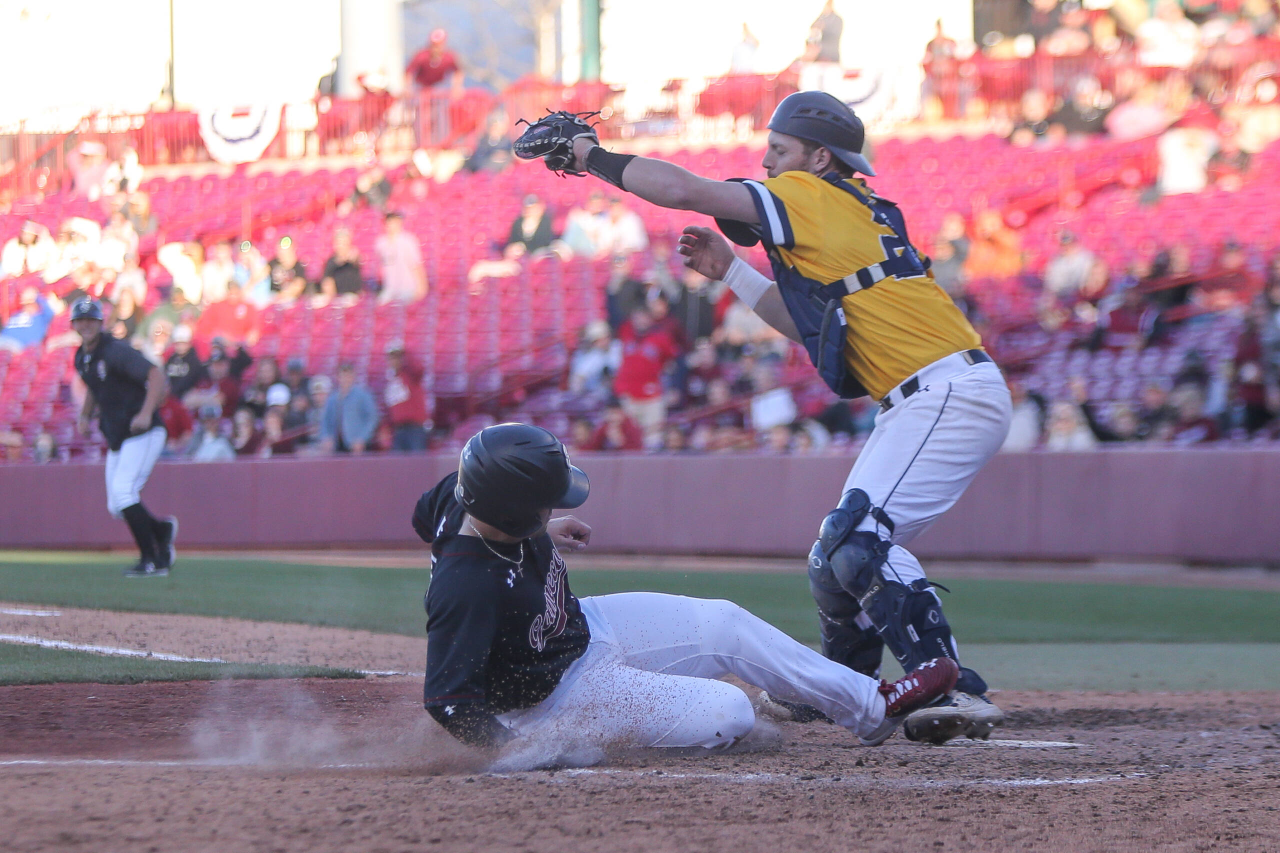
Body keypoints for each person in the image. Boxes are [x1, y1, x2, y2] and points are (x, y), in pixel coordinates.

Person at [535, 89, 1012, 742]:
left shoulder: (811, 194)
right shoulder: (843, 214)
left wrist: (589, 156)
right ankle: (839, 685)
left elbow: (681, 189)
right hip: (921, 397)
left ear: (819, 158)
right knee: (831, 557)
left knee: (860, 539)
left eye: (779, 150)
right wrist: (732, 271)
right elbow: (807, 327)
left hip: (945, 391)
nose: (767, 161)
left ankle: (954, 685)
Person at [413, 423, 959, 766]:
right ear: (512, 510)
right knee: (731, 713)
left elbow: (426, 516)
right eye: (545, 504)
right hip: (551, 699)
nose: (556, 505)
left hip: (582, 628)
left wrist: (539, 529)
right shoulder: (469, 586)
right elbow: (448, 701)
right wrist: (519, 748)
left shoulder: (468, 490)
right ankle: (611, 721)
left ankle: (871, 707)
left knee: (722, 622)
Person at [71, 300, 177, 578]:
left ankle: (151, 559)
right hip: (118, 435)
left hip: (143, 431)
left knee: (123, 493)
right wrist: (85, 415)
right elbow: (95, 385)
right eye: (80, 320)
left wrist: (145, 412)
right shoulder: (82, 356)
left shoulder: (115, 351)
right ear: (73, 325)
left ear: (100, 322)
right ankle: (161, 530)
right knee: (116, 506)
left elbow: (155, 375)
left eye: (90, 320)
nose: (85, 325)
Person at [319, 362, 379, 454]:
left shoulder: (363, 395)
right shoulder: (333, 399)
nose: (345, 379)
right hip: (338, 445)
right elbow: (326, 420)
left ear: (353, 377)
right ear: (338, 377)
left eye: (348, 376)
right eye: (343, 376)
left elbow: (372, 418)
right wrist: (326, 437)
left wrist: (362, 439)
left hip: (357, 445)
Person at [383, 340, 431, 451]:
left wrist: (406, 352)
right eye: (392, 358)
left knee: (417, 463)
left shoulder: (410, 375)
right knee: (399, 465)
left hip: (415, 428)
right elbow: (389, 408)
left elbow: (419, 368)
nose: (394, 361)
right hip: (398, 429)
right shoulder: (390, 381)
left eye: (397, 357)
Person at [375, 212, 428, 304]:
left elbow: (416, 264)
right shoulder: (381, 242)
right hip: (390, 287)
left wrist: (422, 286)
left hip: (407, 288)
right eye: (389, 222)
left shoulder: (408, 241)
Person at [405, 28, 463, 94]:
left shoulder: (449, 57)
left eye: (439, 44)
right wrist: (408, 87)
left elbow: (458, 71)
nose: (436, 48)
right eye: (434, 45)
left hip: (439, 86)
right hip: (420, 87)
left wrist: (457, 87)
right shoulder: (422, 56)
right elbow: (409, 72)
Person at [0, 287, 57, 352]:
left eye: (31, 303)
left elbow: (50, 311)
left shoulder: (41, 318)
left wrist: (36, 295)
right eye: (26, 304)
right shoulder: (15, 314)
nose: (28, 306)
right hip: (2, 339)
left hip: (17, 346)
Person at [319, 227, 364, 304]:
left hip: (352, 297)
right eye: (339, 243)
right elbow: (327, 281)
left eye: (343, 243)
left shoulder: (353, 257)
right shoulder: (331, 261)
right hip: (337, 297)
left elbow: (357, 259)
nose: (341, 246)